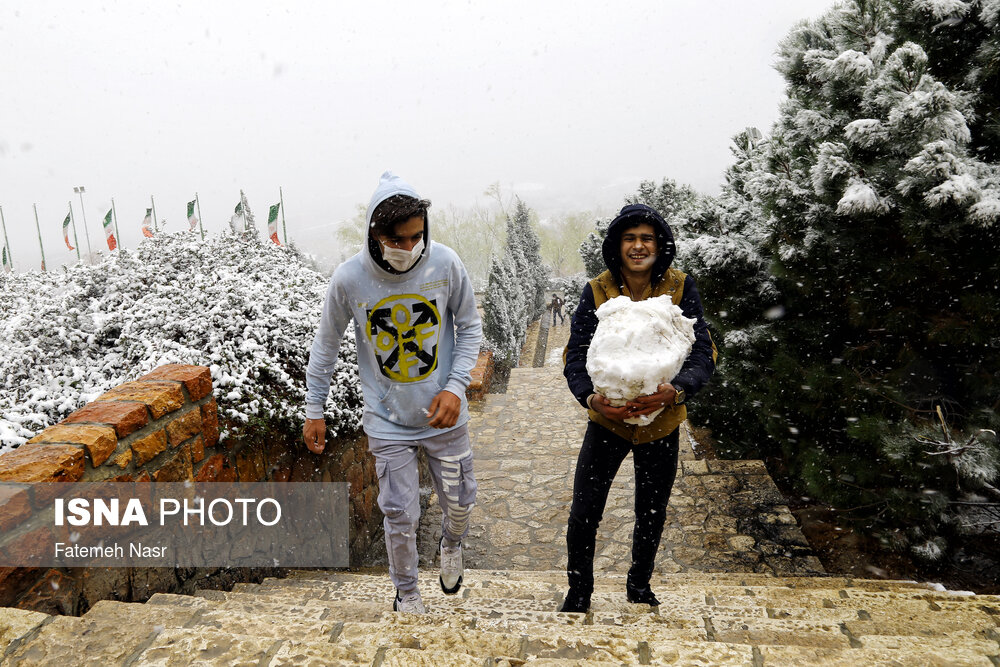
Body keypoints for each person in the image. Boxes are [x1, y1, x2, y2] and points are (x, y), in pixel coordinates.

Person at [304, 171, 482, 614]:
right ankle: (407, 593)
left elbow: (470, 327)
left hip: (446, 417)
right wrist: (314, 408)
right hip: (388, 422)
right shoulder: (349, 279)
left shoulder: (445, 264)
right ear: (375, 234)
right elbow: (325, 346)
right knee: (400, 515)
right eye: (397, 240)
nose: (407, 249)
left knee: (460, 504)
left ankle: (451, 543)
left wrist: (456, 386)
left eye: (415, 238)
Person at [560, 203, 716, 613]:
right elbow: (575, 353)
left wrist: (676, 391)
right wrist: (592, 399)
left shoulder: (680, 286)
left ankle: (639, 586)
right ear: (616, 245)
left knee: (651, 510)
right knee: (585, 510)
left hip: (662, 422)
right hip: (607, 422)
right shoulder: (597, 290)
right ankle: (579, 593)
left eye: (646, 237)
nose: (638, 246)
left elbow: (704, 349)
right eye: (629, 238)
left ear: (659, 244)